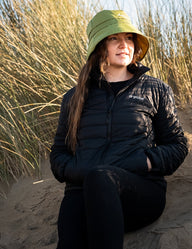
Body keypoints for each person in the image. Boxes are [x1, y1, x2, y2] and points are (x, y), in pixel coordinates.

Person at [50, 10, 188, 249]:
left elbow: (177, 145)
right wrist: (79, 170)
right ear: (99, 46)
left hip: (138, 193)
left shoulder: (156, 90)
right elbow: (59, 153)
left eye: (129, 38)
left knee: (102, 178)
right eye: (114, 38)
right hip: (82, 193)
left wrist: (143, 161)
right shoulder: (73, 98)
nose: (124, 44)